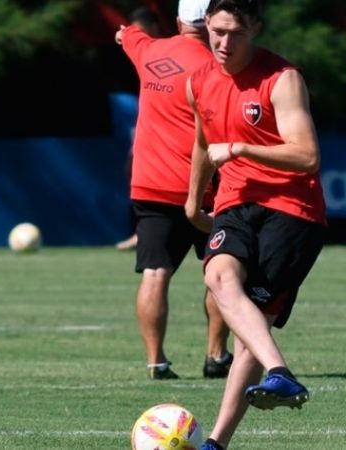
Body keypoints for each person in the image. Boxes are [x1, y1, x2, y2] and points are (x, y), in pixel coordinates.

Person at [182, 1, 327, 448]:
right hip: (235, 203)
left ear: (256, 29)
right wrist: (191, 204)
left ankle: (216, 443)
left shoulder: (282, 79)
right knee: (218, 275)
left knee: (250, 331)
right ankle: (280, 373)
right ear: (206, 25)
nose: (223, 43)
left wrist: (243, 148)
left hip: (292, 210)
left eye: (235, 34)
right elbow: (204, 144)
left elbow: (307, 156)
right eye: (217, 31)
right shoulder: (198, 82)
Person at [116, 0, 232, 380]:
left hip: (151, 185)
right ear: (212, 22)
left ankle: (156, 362)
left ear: (180, 19)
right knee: (221, 272)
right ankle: (216, 356)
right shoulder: (218, 65)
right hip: (206, 189)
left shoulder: (149, 49)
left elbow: (126, 33)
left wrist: (124, 35)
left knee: (154, 272)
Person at [115, 6, 166, 252]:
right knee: (134, 169)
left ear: (155, 29)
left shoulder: (168, 54)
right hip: (148, 133)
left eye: (143, 32)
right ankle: (141, 231)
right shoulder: (139, 53)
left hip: (173, 133)